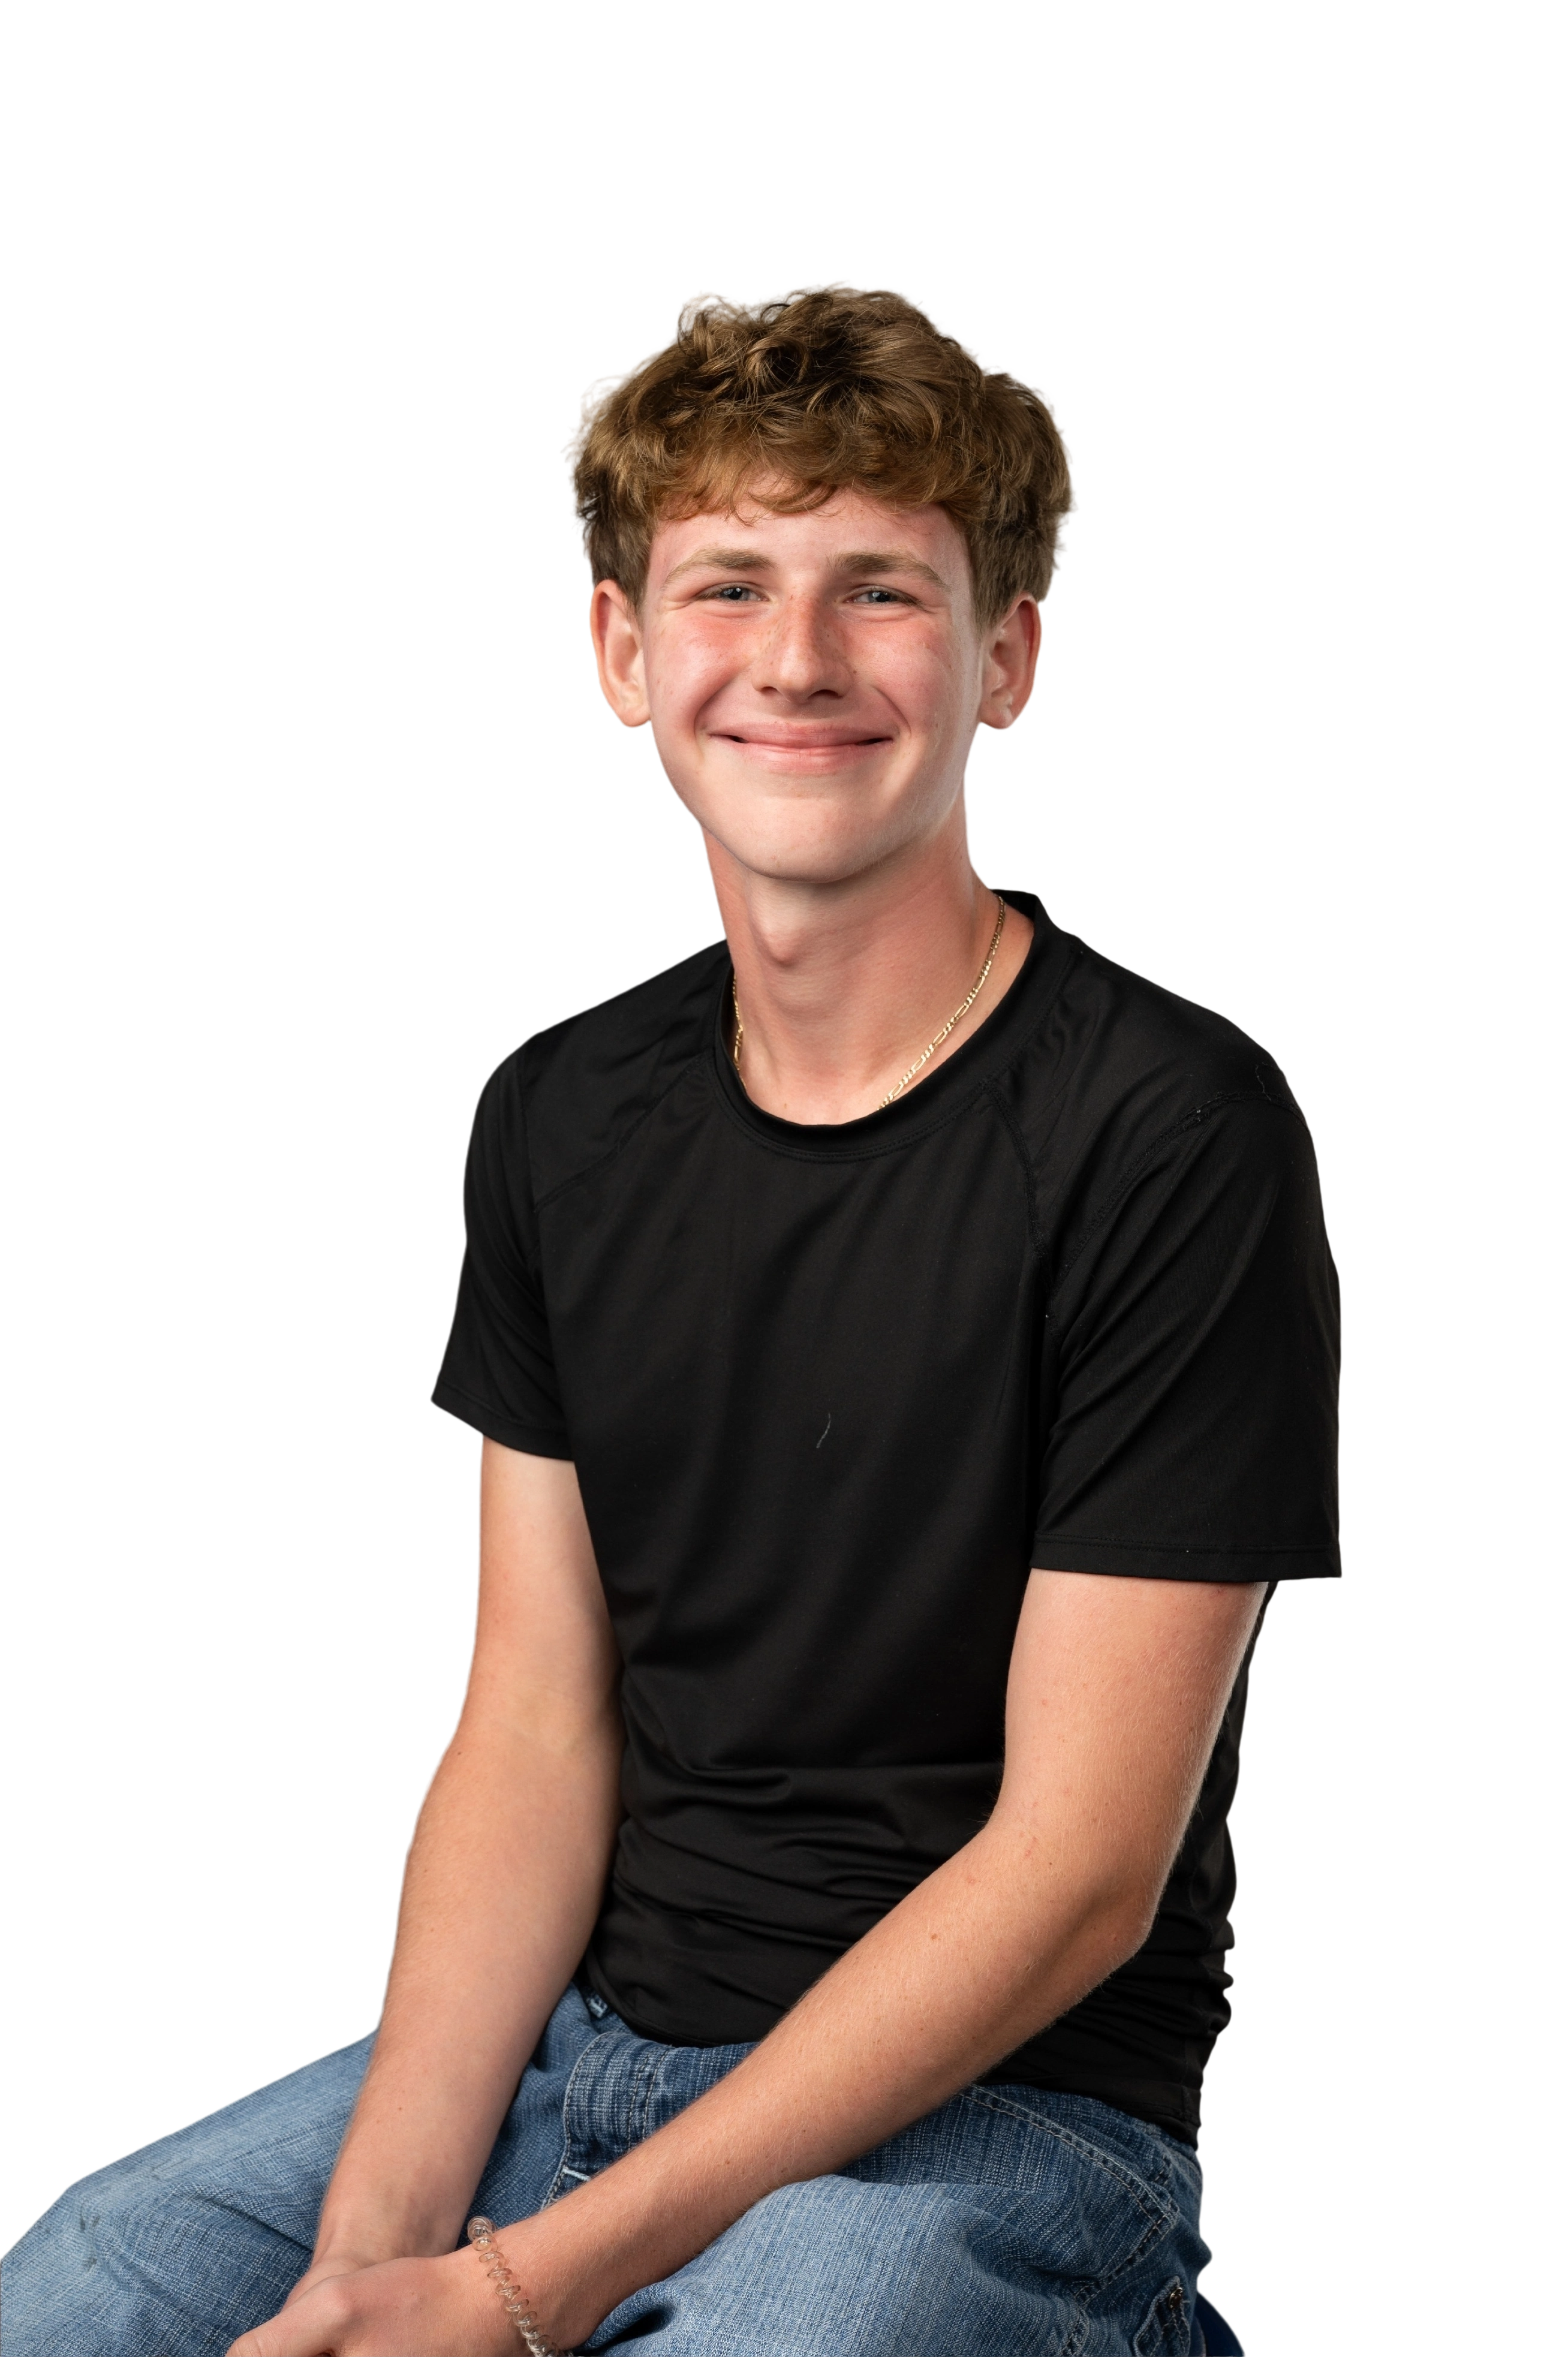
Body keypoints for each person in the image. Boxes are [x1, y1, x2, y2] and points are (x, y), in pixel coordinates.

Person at [5, 279, 1340, 2357]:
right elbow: (535, 1721)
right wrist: (376, 2252)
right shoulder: (559, 1111)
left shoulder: (1171, 1127)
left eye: (879, 588)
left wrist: (527, 2289)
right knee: (94, 2285)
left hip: (1008, 2119)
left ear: (1006, 658)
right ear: (623, 652)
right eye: (728, 584)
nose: (795, 660)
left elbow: (1080, 1866)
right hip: (597, 2050)